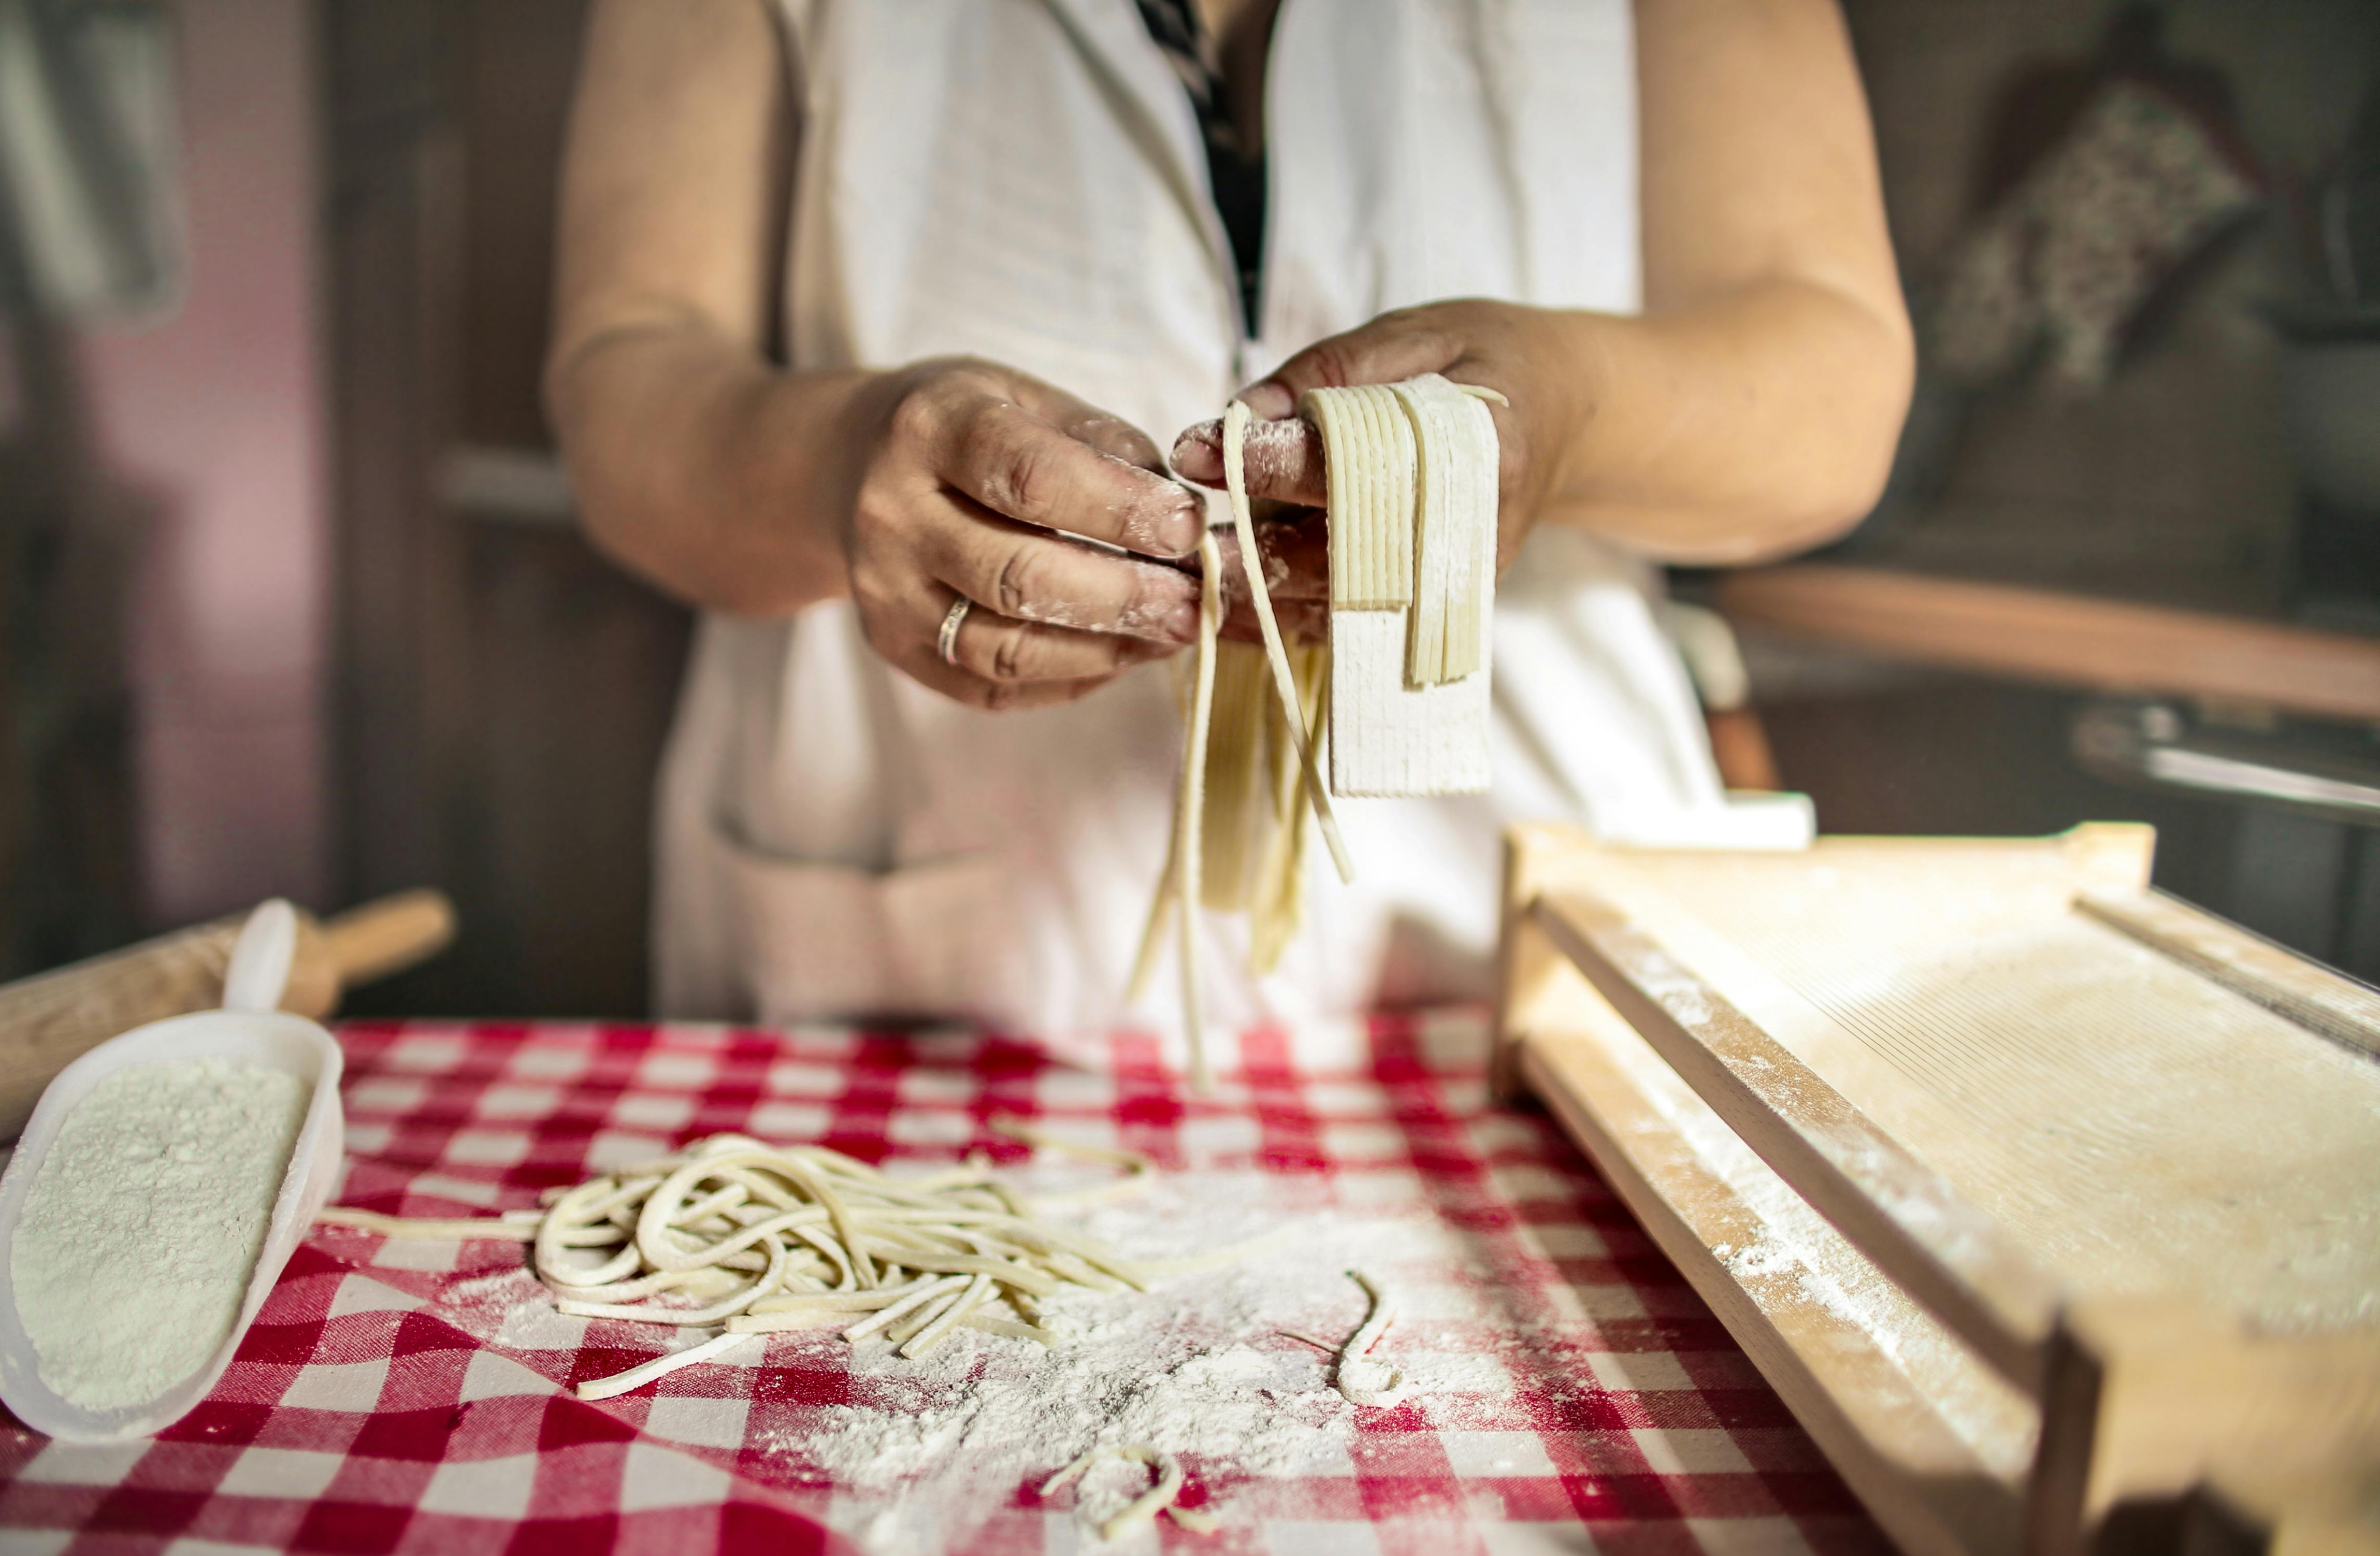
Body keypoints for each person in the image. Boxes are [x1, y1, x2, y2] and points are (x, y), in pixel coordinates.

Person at [547, 0, 1912, 1041]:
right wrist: (836, 464)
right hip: (932, 955)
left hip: (1523, 953)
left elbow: (1834, 387)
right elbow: (628, 372)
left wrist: (1577, 409)